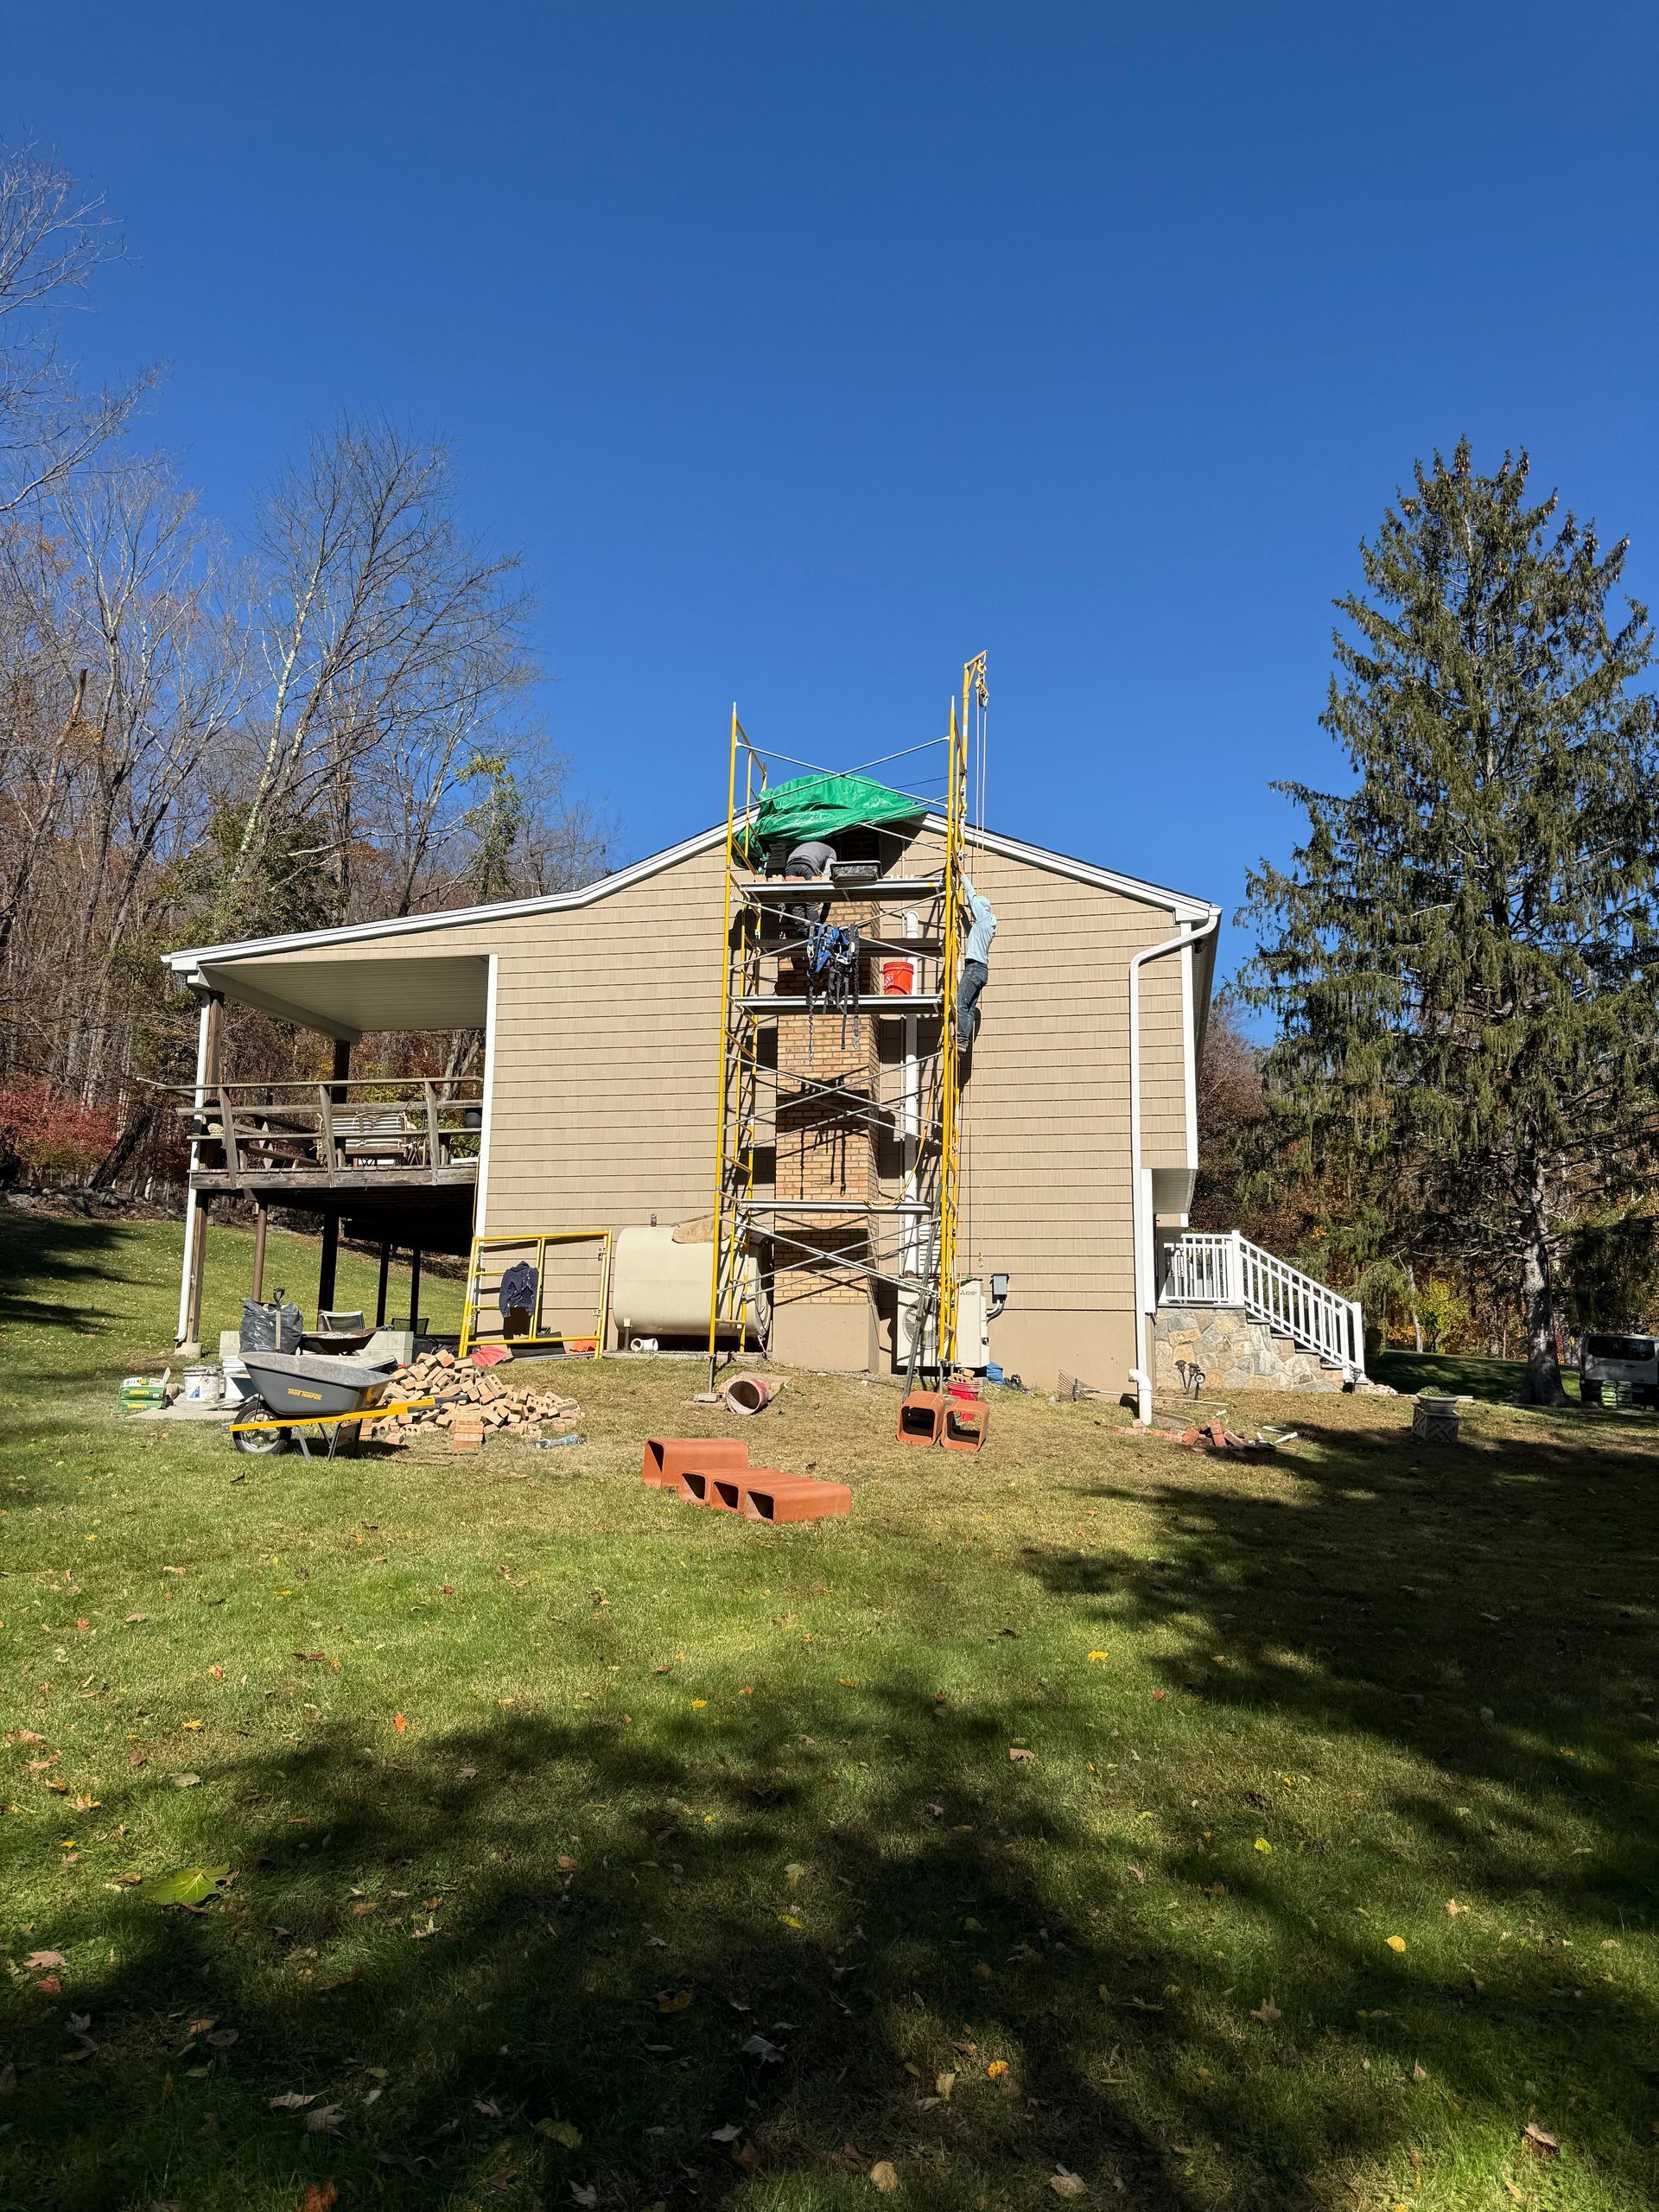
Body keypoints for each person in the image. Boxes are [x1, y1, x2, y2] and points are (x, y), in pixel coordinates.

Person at [957, 874, 997, 1046]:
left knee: (961, 1003)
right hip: (981, 970)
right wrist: (962, 914)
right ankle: (963, 1041)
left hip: (974, 968)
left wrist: (962, 876)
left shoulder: (985, 918)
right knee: (969, 1007)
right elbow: (969, 929)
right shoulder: (983, 926)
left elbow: (972, 895)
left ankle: (960, 1038)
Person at [781, 838, 836, 937]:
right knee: (811, 901)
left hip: (790, 865)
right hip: (807, 865)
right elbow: (827, 874)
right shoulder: (832, 852)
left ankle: (801, 930)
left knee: (796, 901)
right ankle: (815, 931)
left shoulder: (811, 846)